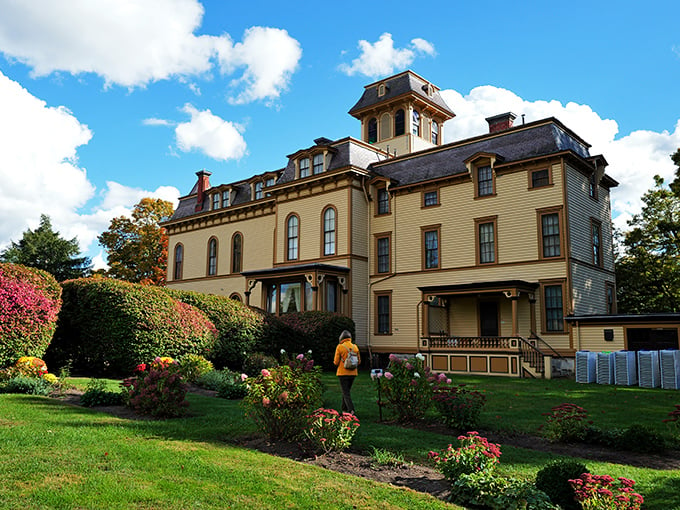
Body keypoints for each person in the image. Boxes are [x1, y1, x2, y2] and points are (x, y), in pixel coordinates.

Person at [333, 329, 360, 414]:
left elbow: (336, 361)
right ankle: (344, 410)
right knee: (346, 391)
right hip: (353, 373)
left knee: (345, 392)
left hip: (342, 373)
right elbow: (359, 361)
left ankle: (351, 410)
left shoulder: (340, 346)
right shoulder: (355, 347)